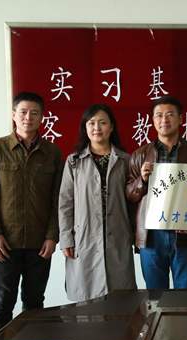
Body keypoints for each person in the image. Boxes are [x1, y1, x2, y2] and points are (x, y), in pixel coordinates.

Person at [0, 92, 62, 337]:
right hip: (5, 243)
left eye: (34, 113)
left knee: (34, 301)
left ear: (42, 117)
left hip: (40, 244)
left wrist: (52, 236)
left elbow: (58, 199)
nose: (28, 117)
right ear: (14, 115)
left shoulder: (52, 153)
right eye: (23, 112)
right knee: (3, 300)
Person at [126, 96, 187, 289]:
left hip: (185, 234)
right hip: (151, 236)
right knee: (155, 296)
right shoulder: (139, 155)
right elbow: (129, 195)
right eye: (159, 115)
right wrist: (142, 180)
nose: (164, 120)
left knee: (185, 294)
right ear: (153, 120)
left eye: (170, 114)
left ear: (181, 119)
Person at [58, 104, 136, 302]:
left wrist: (135, 235)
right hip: (84, 237)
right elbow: (65, 203)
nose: (97, 128)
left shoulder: (126, 160)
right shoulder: (74, 161)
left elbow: (133, 202)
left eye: (102, 123)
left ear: (111, 127)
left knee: (121, 301)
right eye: (91, 123)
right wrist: (66, 238)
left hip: (117, 237)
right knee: (86, 302)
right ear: (85, 127)